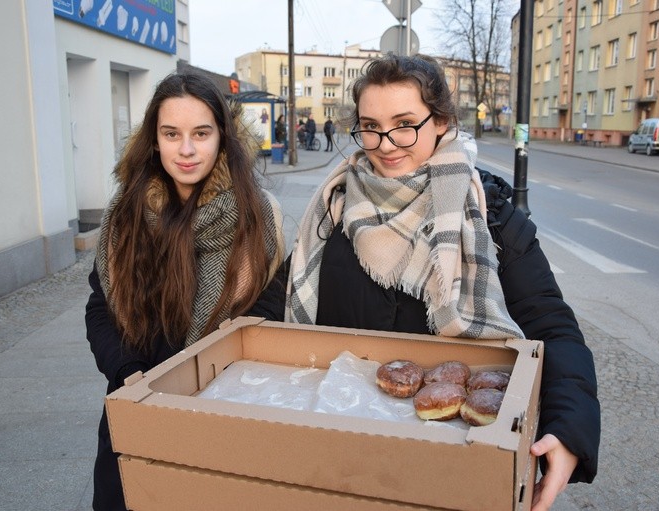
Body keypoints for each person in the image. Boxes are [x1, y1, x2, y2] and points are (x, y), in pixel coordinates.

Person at [249, 54, 599, 511]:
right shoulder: (333, 210)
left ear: (441, 122)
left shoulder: (490, 218)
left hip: (453, 467)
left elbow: (552, 326)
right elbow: (280, 298)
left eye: (405, 123)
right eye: (370, 126)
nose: (386, 144)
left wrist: (568, 429)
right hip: (340, 458)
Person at [85, 70, 284, 511]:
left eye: (201, 133)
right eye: (172, 134)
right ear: (154, 140)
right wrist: (129, 374)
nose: (188, 149)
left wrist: (210, 373)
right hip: (136, 402)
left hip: (222, 413)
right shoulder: (125, 215)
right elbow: (101, 308)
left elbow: (268, 310)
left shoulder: (258, 215)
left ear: (222, 137)